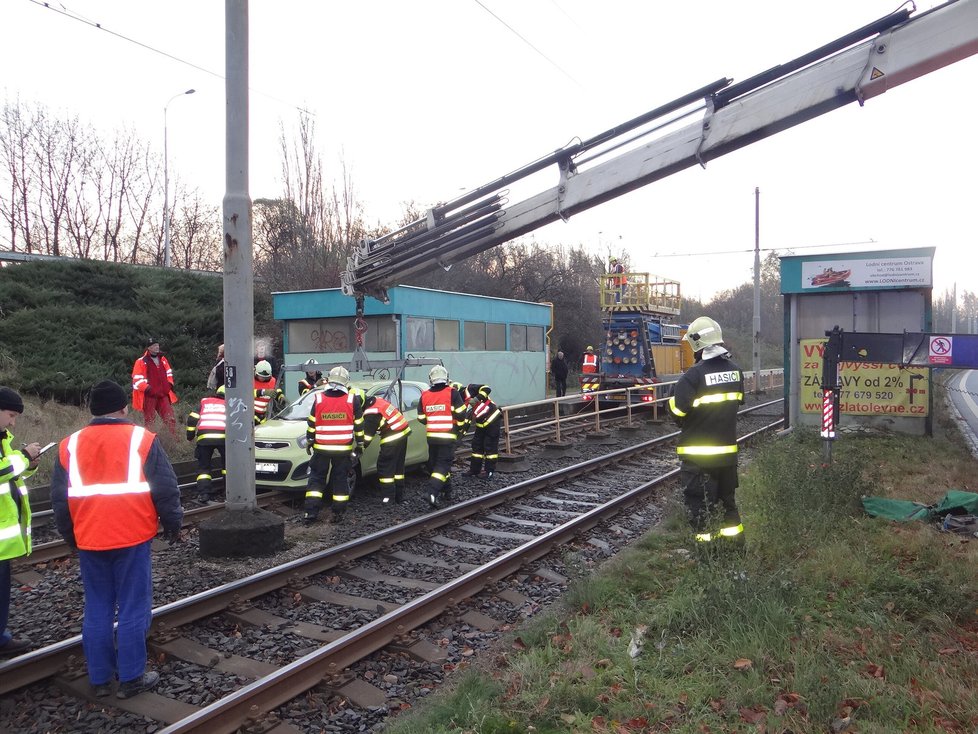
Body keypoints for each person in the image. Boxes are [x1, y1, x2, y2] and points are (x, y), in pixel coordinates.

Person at [50, 380, 182, 699]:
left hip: (90, 539)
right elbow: (165, 487)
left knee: (97, 606)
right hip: (132, 536)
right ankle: (132, 677)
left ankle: (99, 677)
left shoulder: (69, 445)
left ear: (92, 411)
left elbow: (59, 501)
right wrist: (173, 524)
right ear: (124, 408)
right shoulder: (141, 438)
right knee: (133, 606)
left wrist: (72, 538)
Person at [668, 317, 745, 548]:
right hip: (727, 457)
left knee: (700, 509)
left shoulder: (692, 377)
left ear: (695, 344)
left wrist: (671, 401)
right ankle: (734, 552)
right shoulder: (735, 372)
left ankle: (705, 556)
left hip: (698, 459)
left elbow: (678, 413)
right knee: (727, 505)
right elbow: (735, 401)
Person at [0, 387, 40, 658]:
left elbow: (9, 475)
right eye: (10, 415)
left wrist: (30, 463)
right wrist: (24, 456)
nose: (13, 422)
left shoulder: (3, 438)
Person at [303, 366, 365, 524]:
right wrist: (360, 445)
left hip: (321, 449)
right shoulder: (353, 400)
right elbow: (359, 426)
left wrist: (310, 441)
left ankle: (310, 513)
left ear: (329, 380)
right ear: (346, 382)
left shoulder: (319, 399)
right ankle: (338, 513)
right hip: (342, 450)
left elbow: (311, 424)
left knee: (316, 479)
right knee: (340, 480)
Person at [418, 365, 467, 508]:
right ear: (446, 377)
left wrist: (433, 420)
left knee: (435, 465)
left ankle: (447, 490)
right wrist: (458, 428)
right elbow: (461, 414)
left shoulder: (425, 395)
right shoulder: (452, 393)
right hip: (447, 436)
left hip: (432, 437)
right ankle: (431, 493)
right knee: (442, 466)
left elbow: (421, 418)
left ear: (431, 379)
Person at [361, 392, 411, 505]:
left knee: (384, 467)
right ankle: (399, 497)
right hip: (403, 433)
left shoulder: (371, 413)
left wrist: (358, 450)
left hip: (392, 436)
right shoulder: (377, 401)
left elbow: (367, 438)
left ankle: (388, 499)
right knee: (398, 468)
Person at [185, 384, 227, 503]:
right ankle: (228, 491)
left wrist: (190, 436)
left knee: (204, 467)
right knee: (228, 467)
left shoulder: (205, 402)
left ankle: (204, 494)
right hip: (223, 439)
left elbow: (192, 418)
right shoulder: (229, 403)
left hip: (204, 439)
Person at [131, 338, 178, 435]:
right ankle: (150, 442)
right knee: (150, 421)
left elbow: (169, 373)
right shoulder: (141, 361)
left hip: (163, 394)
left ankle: (173, 441)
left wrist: (169, 385)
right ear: (149, 348)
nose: (157, 347)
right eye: (154, 346)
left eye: (157, 345)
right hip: (149, 396)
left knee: (170, 419)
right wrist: (148, 389)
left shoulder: (163, 359)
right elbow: (137, 379)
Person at [465, 384, 501, 480]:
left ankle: (489, 471)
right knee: (477, 446)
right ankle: (475, 470)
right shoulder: (460, 402)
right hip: (481, 423)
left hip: (493, 420)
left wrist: (476, 399)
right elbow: (467, 419)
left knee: (490, 446)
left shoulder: (471, 388)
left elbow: (487, 388)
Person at [253, 359, 283, 425]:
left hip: (263, 415)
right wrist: (262, 392)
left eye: (265, 377)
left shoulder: (272, 381)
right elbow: (246, 394)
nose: (263, 379)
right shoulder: (250, 379)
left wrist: (280, 396)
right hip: (250, 414)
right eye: (261, 376)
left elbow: (276, 390)